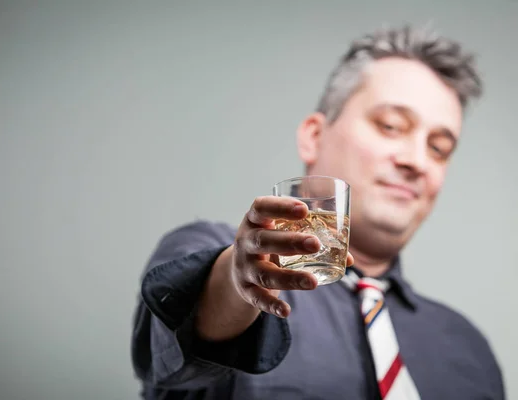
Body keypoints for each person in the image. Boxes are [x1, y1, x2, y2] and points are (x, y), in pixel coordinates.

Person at [131, 24, 505, 399]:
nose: (417, 161)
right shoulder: (208, 249)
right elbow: (180, 346)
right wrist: (237, 279)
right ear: (314, 136)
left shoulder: (468, 349)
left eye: (439, 148)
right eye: (391, 126)